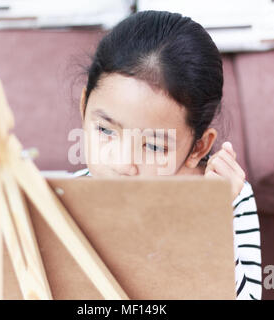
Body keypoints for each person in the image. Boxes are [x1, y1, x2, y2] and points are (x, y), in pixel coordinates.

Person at [72, 10, 262, 300]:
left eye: (154, 146)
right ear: (85, 106)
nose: (122, 164)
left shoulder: (229, 199)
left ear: (198, 147)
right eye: (106, 131)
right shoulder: (68, 197)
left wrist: (209, 218)